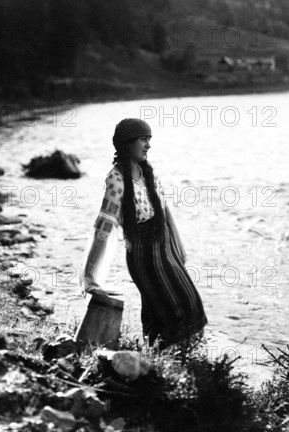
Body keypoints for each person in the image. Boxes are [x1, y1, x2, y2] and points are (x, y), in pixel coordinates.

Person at [80, 118, 208, 348]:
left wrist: (178, 247)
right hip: (143, 256)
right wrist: (89, 277)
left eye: (149, 139)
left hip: (165, 248)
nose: (148, 145)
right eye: (143, 139)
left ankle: (171, 359)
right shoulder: (116, 179)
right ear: (127, 143)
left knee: (182, 304)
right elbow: (104, 224)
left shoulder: (148, 172)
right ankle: (169, 359)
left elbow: (165, 211)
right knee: (175, 305)